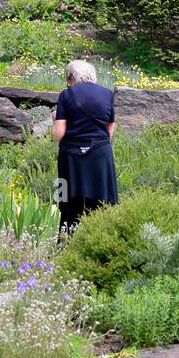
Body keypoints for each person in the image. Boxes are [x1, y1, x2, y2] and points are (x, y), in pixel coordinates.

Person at [53, 59, 118, 234]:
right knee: (102, 202)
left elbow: (59, 133)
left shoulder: (66, 95)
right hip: (100, 155)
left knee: (67, 203)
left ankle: (65, 245)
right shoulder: (107, 94)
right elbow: (110, 127)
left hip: (70, 158)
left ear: (71, 77)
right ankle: (100, 242)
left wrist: (54, 119)